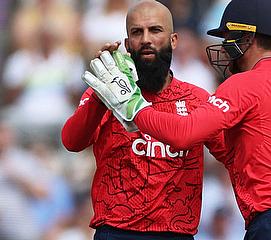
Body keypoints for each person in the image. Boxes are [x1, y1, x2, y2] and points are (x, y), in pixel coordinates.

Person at [83, 0, 271, 239]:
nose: (224, 48)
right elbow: (269, 158)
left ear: (247, 39)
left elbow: (185, 134)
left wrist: (134, 106)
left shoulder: (245, 84)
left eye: (229, 38)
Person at [61, 1, 226, 239]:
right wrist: (101, 95)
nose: (146, 39)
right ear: (127, 44)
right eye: (137, 32)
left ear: (174, 40)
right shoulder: (105, 93)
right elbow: (71, 141)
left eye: (155, 30)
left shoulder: (197, 99)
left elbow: (229, 154)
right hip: (116, 231)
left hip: (175, 232)